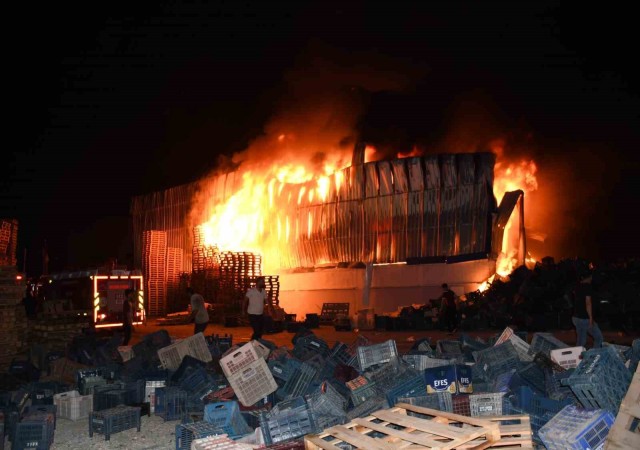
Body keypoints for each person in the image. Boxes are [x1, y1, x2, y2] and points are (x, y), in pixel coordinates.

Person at [571, 271, 603, 348]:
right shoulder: (587, 287)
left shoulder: (577, 286)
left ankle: (590, 356)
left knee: (582, 340)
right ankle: (593, 356)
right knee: (596, 338)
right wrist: (591, 318)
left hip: (576, 317)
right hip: (583, 318)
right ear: (590, 277)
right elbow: (588, 302)